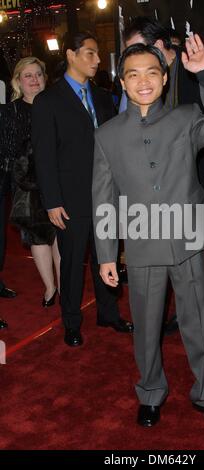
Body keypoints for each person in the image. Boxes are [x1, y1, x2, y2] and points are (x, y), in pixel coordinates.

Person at [92, 38, 204, 428]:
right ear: (122, 82)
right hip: (141, 243)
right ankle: (151, 392)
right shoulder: (106, 135)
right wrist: (107, 253)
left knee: (199, 322)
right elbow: (103, 198)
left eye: (151, 73)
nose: (143, 82)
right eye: (133, 75)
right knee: (147, 325)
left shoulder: (186, 117)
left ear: (165, 77)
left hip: (186, 237)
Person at [122, 17, 204, 355]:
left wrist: (199, 137)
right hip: (175, 189)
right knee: (182, 257)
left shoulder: (199, 66)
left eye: (145, 48)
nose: (138, 57)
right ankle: (186, 314)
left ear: (166, 46)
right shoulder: (146, 84)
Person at [32, 31, 133, 347]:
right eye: (90, 53)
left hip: (106, 195)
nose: (98, 59)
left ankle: (108, 313)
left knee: (108, 255)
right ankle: (71, 321)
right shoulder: (48, 100)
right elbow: (44, 155)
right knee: (73, 263)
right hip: (70, 198)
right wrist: (52, 201)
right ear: (71, 54)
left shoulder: (104, 97)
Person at [1, 57, 60, 308]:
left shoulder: (59, 107)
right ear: (18, 81)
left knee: (61, 237)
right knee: (38, 237)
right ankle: (50, 287)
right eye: (28, 75)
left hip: (59, 181)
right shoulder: (8, 112)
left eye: (39, 74)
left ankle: (66, 287)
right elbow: (7, 151)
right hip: (27, 187)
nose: (34, 79)